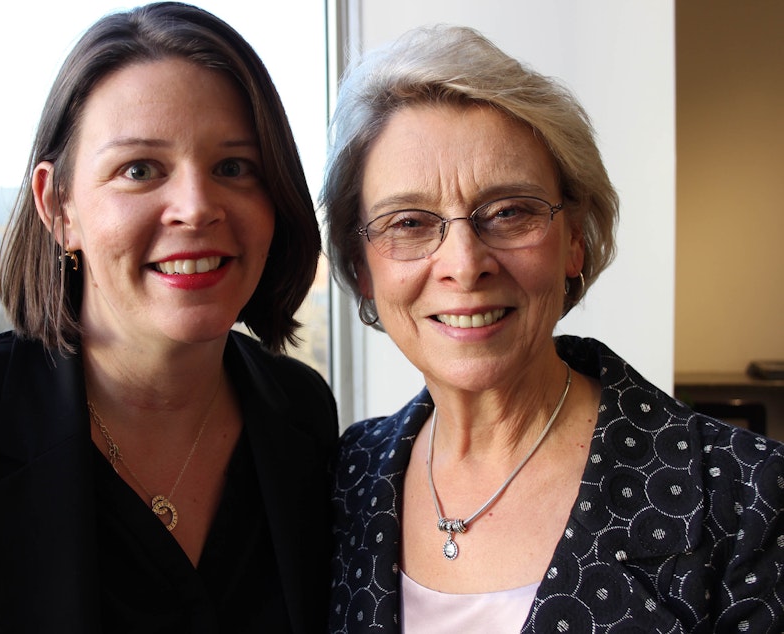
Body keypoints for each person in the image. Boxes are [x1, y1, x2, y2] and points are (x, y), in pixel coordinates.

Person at [322, 24, 783, 633]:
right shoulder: (345, 476)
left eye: (509, 211)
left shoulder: (751, 497)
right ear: (361, 266)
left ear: (573, 240)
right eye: (409, 221)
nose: (464, 265)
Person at [0, 3, 338, 632]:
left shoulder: (303, 416)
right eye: (139, 170)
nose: (195, 207)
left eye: (234, 168)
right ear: (60, 207)